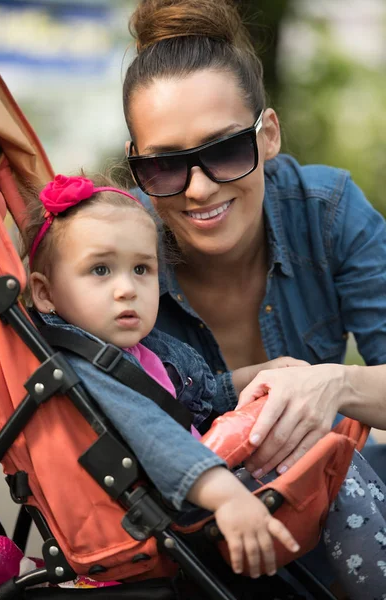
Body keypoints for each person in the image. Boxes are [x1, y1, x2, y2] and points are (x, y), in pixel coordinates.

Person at [21, 174, 386, 598]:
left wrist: (261, 372)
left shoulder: (140, 351)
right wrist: (228, 496)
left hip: (206, 481)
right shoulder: (88, 368)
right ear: (45, 294)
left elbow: (201, 394)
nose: (126, 290)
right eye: (100, 270)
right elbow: (155, 437)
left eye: (142, 269)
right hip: (190, 499)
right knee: (332, 463)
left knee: (331, 451)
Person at [123, 0, 386, 487]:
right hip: (188, 538)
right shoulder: (111, 245)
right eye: (165, 165)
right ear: (136, 164)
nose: (199, 189)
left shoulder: (327, 211)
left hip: (329, 501)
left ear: (268, 135)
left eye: (225, 149)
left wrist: (334, 382)